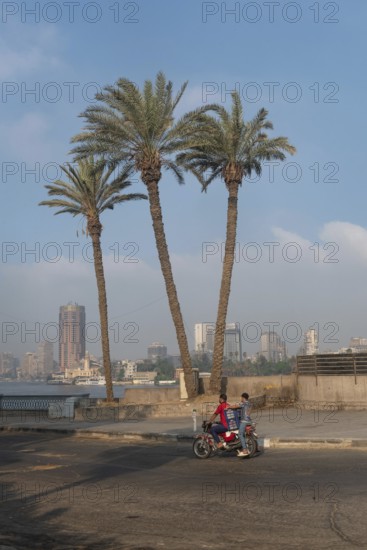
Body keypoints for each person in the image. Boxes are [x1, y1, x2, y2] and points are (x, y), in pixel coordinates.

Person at [230, 392, 252, 457]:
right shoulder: (249, 404)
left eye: (241, 398)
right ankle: (243, 447)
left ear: (243, 398)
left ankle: (245, 450)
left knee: (240, 434)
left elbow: (236, 406)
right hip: (249, 421)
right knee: (243, 435)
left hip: (244, 421)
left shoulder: (244, 403)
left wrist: (229, 407)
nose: (241, 399)